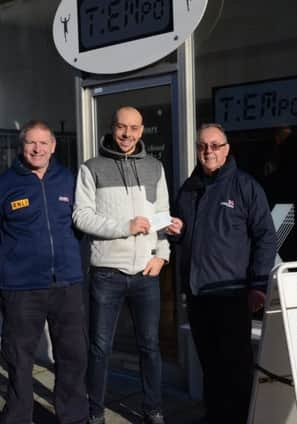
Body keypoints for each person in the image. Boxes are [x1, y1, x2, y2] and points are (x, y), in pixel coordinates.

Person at [73, 106, 181, 424]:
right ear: (112, 127)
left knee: (150, 347)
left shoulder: (154, 168)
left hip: (146, 273)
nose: (127, 134)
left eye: (134, 128)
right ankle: (95, 412)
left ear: (142, 130)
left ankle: (153, 409)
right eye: (122, 127)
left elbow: (162, 214)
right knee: (100, 348)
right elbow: (81, 216)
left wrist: (163, 255)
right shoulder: (91, 167)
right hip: (107, 273)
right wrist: (125, 226)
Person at [0, 120, 87, 424]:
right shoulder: (1, 187)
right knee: (19, 358)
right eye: (31, 143)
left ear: (53, 147)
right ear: (22, 146)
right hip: (21, 289)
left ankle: (73, 417)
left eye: (43, 143)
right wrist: (10, 263)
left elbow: (82, 224)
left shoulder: (69, 181)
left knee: (72, 356)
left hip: (66, 284)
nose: (37, 149)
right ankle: (18, 417)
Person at [172, 123, 277, 423]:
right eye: (203, 146)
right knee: (210, 366)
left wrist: (258, 285)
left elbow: (266, 238)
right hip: (198, 295)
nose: (208, 151)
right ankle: (215, 417)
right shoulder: (188, 189)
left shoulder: (245, 187)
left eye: (215, 145)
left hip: (231, 296)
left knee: (236, 369)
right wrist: (176, 234)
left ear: (227, 149)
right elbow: (184, 233)